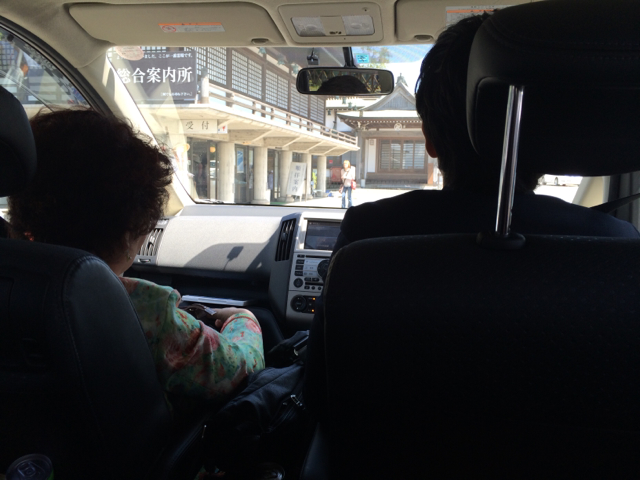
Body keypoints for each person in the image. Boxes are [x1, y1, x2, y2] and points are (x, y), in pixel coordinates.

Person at [304, 12, 640, 415]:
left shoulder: (370, 233)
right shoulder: (617, 250)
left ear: (429, 139)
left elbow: (317, 390)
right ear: (548, 133)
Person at [7, 108, 265, 405]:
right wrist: (243, 319)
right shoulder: (144, 310)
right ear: (131, 229)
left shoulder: (14, 280)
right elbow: (240, 370)